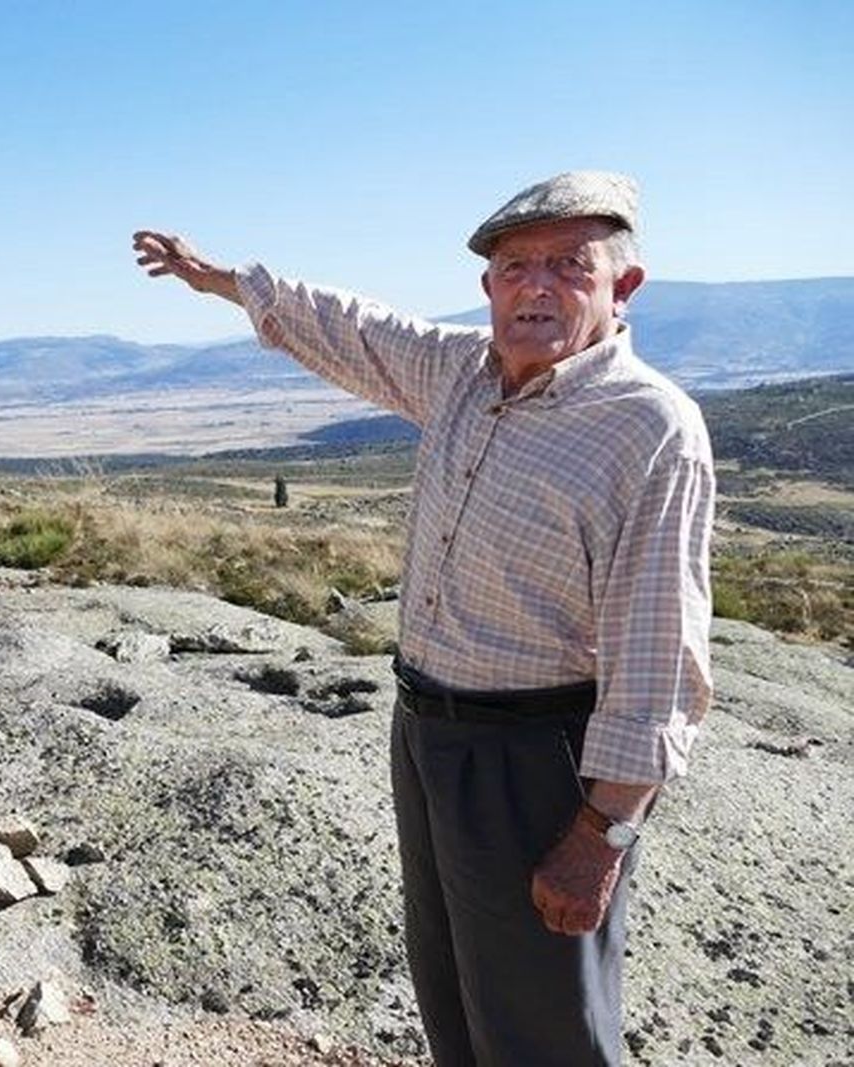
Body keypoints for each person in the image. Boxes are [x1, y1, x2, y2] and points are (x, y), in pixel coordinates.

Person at [132, 171, 714, 1066]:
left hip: (537, 756)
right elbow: (357, 325)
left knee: (544, 1022)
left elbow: (658, 655)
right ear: (488, 288)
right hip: (426, 732)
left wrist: (602, 833)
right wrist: (223, 280)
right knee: (452, 991)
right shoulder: (459, 374)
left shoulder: (648, 427)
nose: (537, 285)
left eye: (569, 263)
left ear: (622, 286)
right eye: (516, 265)